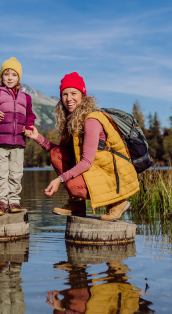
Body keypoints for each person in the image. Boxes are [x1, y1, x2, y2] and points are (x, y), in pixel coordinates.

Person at [24, 72, 138, 220]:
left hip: (112, 175)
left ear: (82, 95)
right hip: (97, 171)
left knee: (72, 185)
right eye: (64, 94)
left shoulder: (91, 121)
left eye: (73, 93)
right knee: (57, 154)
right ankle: (77, 205)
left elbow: (87, 162)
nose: (68, 98)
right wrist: (37, 137)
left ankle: (117, 202)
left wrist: (60, 179)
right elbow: (61, 153)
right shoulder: (72, 121)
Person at [0, 57, 36, 216]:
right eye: (6, 74)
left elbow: (30, 116)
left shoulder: (26, 98)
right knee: (1, 172)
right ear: (1, 76)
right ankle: (1, 202)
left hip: (18, 141)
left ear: (19, 77)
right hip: (0, 140)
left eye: (14, 74)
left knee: (16, 172)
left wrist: (28, 126)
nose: (10, 78)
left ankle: (14, 201)